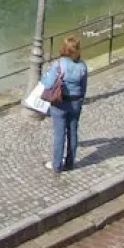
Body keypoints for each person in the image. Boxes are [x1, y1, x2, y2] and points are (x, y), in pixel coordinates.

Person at [40, 35, 88, 172]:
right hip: (76, 102)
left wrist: (45, 75)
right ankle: (70, 162)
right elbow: (84, 87)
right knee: (73, 132)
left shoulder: (59, 64)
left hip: (60, 103)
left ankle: (56, 165)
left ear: (64, 48)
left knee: (59, 134)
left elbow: (48, 84)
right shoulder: (82, 66)